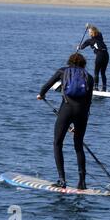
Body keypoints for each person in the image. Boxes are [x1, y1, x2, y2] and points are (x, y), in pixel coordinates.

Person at [37, 53, 94, 190]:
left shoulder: (62, 71)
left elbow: (46, 86)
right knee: (78, 145)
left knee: (57, 143)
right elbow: (88, 101)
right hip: (82, 113)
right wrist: (78, 122)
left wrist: (41, 95)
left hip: (66, 110)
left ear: (70, 62)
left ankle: (62, 180)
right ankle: (82, 183)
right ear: (83, 64)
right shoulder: (89, 77)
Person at [78, 26, 109, 92]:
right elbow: (98, 32)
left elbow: (82, 47)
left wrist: (78, 47)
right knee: (103, 73)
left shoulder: (89, 41)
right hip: (106, 54)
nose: (88, 33)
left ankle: (96, 88)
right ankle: (104, 88)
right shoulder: (100, 37)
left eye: (89, 32)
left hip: (100, 55)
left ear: (92, 33)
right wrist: (90, 27)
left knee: (96, 72)